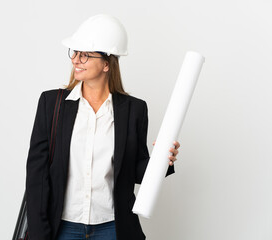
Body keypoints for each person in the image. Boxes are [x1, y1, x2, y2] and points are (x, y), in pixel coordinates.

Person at [26, 14, 180, 240]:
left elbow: (135, 172)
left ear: (107, 63)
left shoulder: (134, 109)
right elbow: (36, 175)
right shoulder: (52, 104)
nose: (76, 60)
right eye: (74, 53)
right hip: (63, 228)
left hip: (113, 228)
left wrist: (162, 160)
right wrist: (40, 235)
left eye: (85, 55)